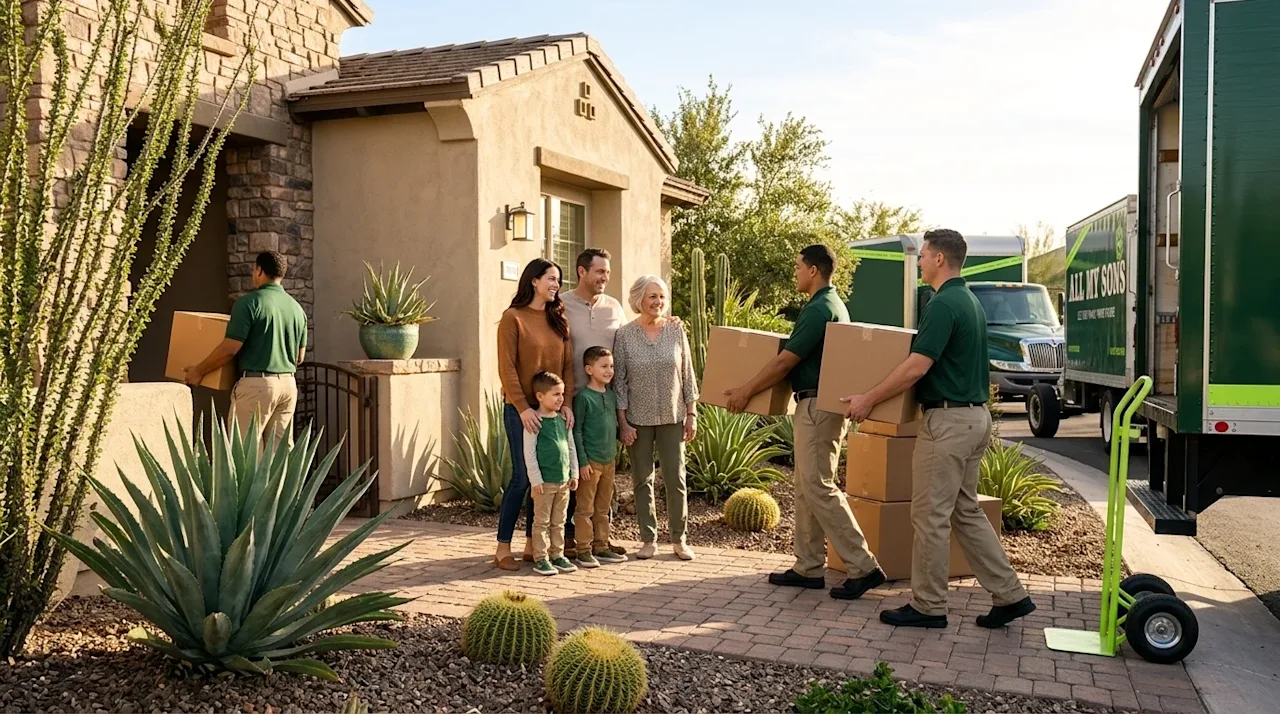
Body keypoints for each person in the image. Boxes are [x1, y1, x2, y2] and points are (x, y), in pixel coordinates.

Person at [840, 229, 1036, 629]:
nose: (921, 261)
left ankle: (929, 606)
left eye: (924, 255)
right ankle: (1010, 594)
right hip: (974, 419)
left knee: (930, 515)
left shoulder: (944, 304)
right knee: (964, 511)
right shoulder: (970, 302)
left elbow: (917, 365)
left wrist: (868, 399)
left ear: (940, 259)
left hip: (947, 422)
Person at [722, 245, 887, 600]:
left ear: (813, 270)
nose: (794, 272)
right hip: (816, 404)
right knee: (806, 486)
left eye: (798, 267)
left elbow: (785, 362)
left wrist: (744, 391)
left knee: (818, 486)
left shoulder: (819, 309)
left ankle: (864, 566)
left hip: (817, 406)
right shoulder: (831, 305)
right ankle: (809, 566)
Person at [493, 259, 576, 572]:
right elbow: (507, 368)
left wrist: (565, 402)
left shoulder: (558, 319)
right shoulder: (512, 318)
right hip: (521, 411)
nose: (556, 285)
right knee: (523, 477)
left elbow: (567, 365)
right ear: (533, 281)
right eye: (551, 279)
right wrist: (523, 407)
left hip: (552, 413)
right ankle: (502, 548)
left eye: (559, 280)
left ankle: (533, 545)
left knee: (547, 478)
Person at [613, 276, 698, 561]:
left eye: (661, 296)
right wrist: (623, 422)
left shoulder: (676, 330)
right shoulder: (624, 335)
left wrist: (691, 413)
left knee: (676, 479)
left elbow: (687, 372)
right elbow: (620, 382)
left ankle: (679, 538)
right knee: (641, 480)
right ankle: (648, 539)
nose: (658, 302)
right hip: (638, 418)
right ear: (639, 299)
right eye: (652, 296)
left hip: (673, 416)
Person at [185, 251, 307, 445]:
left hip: (257, 386)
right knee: (278, 457)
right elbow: (299, 357)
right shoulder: (297, 309)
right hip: (288, 386)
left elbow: (230, 348)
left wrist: (198, 371)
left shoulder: (248, 303)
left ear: (259, 270)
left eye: (253, 269)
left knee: (244, 454)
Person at [561, 248, 629, 558]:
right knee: (573, 470)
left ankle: (599, 540)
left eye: (607, 273)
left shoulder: (614, 307)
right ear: (582, 271)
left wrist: (666, 321)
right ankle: (569, 539)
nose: (604, 278)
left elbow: (629, 340)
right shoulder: (561, 304)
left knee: (601, 479)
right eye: (599, 272)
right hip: (569, 400)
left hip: (604, 402)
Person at [571, 347, 626, 568]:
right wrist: (582, 462)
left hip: (608, 460)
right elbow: (577, 431)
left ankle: (601, 545)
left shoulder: (611, 395)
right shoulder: (583, 398)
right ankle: (583, 549)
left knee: (603, 507)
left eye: (611, 366)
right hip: (591, 462)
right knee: (585, 508)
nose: (609, 370)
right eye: (604, 366)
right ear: (588, 369)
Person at [523, 371, 581, 577]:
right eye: (555, 394)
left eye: (562, 394)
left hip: (563, 482)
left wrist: (574, 473)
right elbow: (529, 454)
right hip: (544, 483)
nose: (561, 398)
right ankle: (541, 558)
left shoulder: (563, 419)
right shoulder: (534, 421)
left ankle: (557, 554)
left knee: (560, 521)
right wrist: (535, 479)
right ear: (540, 396)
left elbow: (571, 447)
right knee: (541, 522)